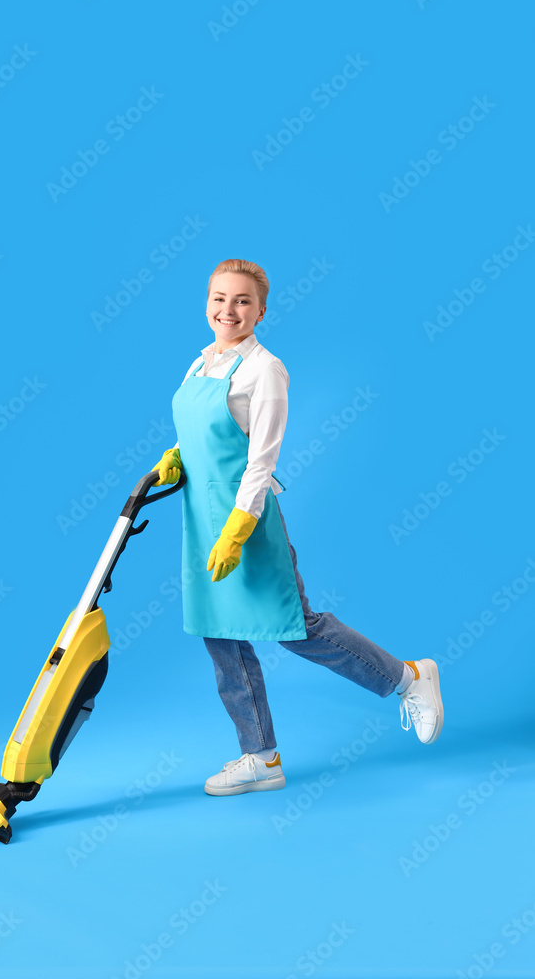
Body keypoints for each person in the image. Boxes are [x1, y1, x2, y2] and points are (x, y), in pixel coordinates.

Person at [152, 258, 444, 797]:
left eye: (242, 301)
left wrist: (238, 529)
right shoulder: (200, 365)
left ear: (261, 309)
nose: (228, 310)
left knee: (296, 627)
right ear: (207, 302)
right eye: (219, 298)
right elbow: (198, 436)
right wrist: (174, 458)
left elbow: (261, 460)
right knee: (221, 637)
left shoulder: (265, 369)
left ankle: (410, 679)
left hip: (246, 518)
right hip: (199, 517)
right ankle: (260, 757)